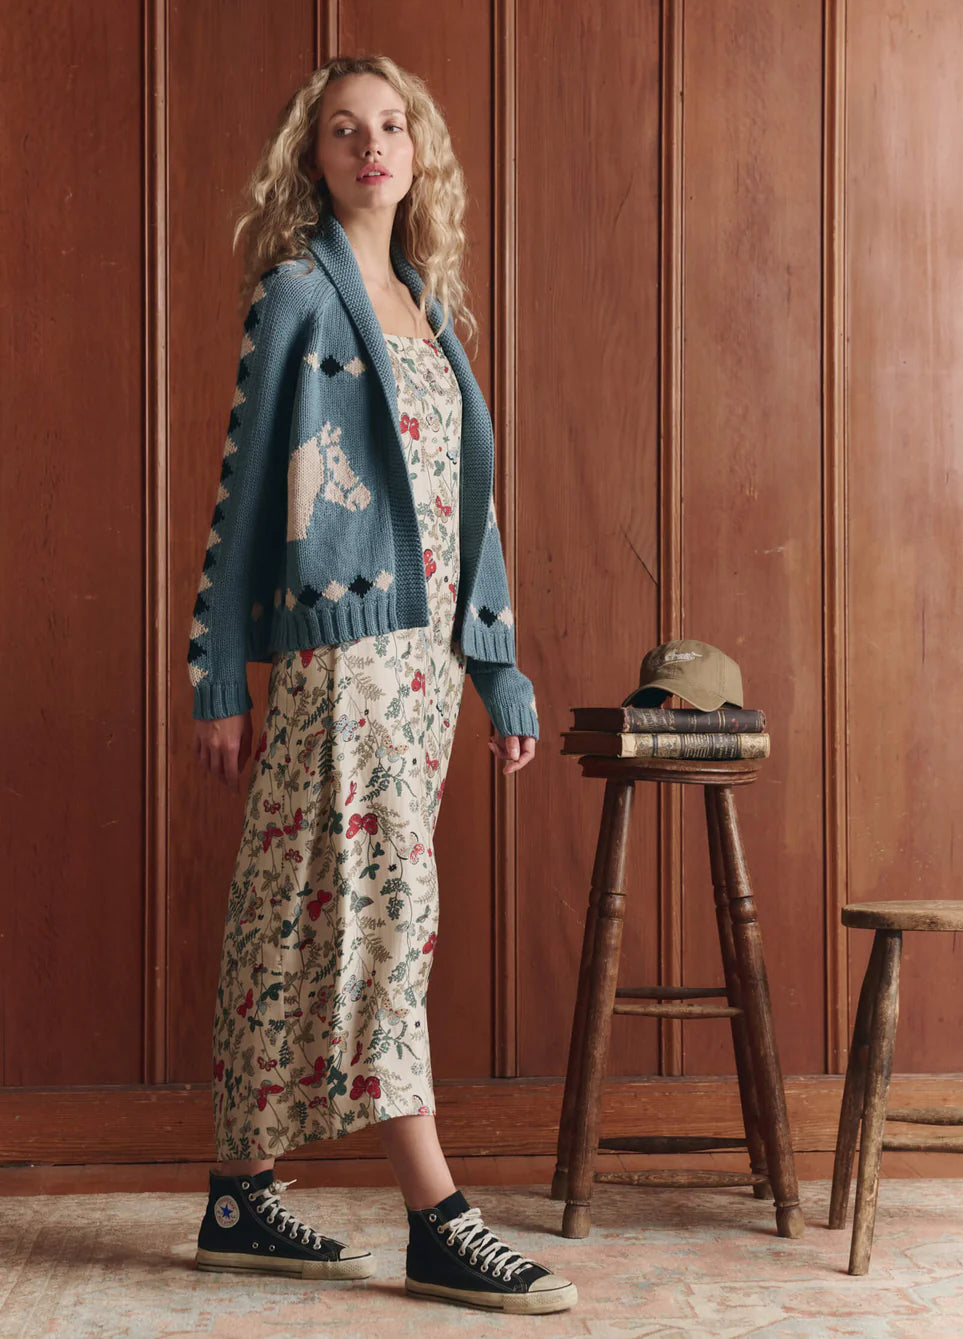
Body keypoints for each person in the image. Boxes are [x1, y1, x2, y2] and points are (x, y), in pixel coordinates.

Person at [188, 53, 576, 1316]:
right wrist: (218, 671)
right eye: (345, 130)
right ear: (314, 159)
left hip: (423, 666)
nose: (372, 147)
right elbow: (246, 485)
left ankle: (240, 1190)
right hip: (339, 652)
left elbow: (470, 509)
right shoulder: (301, 294)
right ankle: (435, 1213)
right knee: (388, 904)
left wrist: (496, 667)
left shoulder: (429, 308)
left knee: (291, 901)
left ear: (419, 154)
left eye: (392, 126)